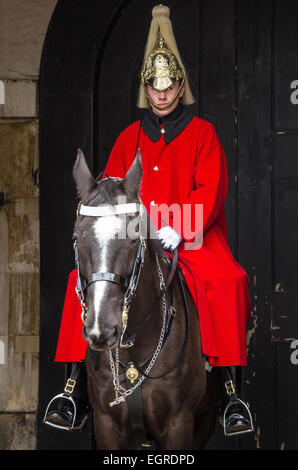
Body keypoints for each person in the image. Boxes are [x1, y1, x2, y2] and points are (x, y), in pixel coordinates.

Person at [44, 4, 254, 438]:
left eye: (169, 85)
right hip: (133, 235)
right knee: (77, 283)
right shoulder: (129, 137)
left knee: (228, 280)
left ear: (180, 86)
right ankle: (74, 388)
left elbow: (211, 191)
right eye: (154, 87)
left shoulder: (203, 135)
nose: (162, 94)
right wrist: (130, 227)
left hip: (190, 236)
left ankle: (232, 390)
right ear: (146, 88)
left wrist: (180, 226)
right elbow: (110, 189)